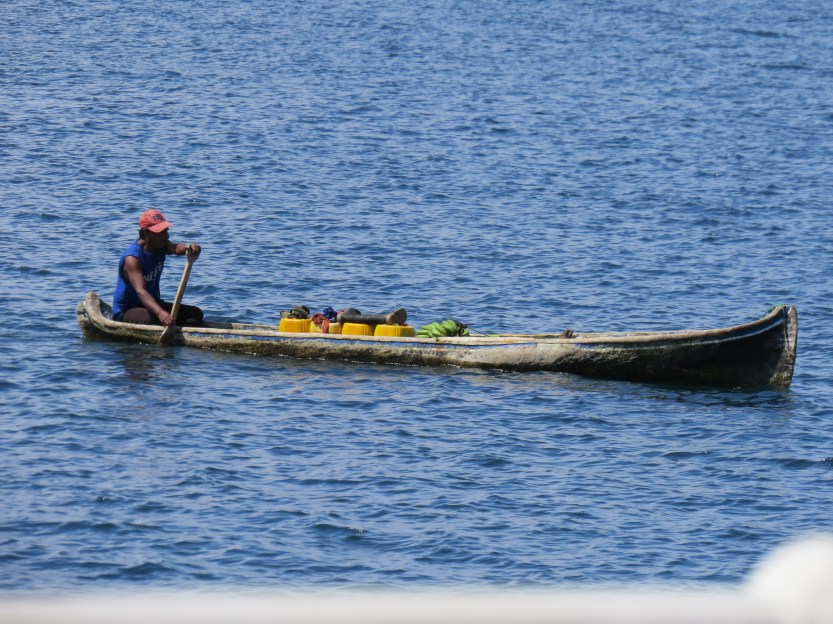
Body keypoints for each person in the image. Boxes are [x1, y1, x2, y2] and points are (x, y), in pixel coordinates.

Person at [112, 209, 203, 326]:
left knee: (196, 314)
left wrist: (188, 248)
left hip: (153, 305)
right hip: (128, 310)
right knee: (156, 320)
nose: (166, 236)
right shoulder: (132, 258)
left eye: (166, 231)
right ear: (145, 234)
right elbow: (141, 291)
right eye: (161, 232)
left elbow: (175, 248)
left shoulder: (161, 245)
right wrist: (161, 313)